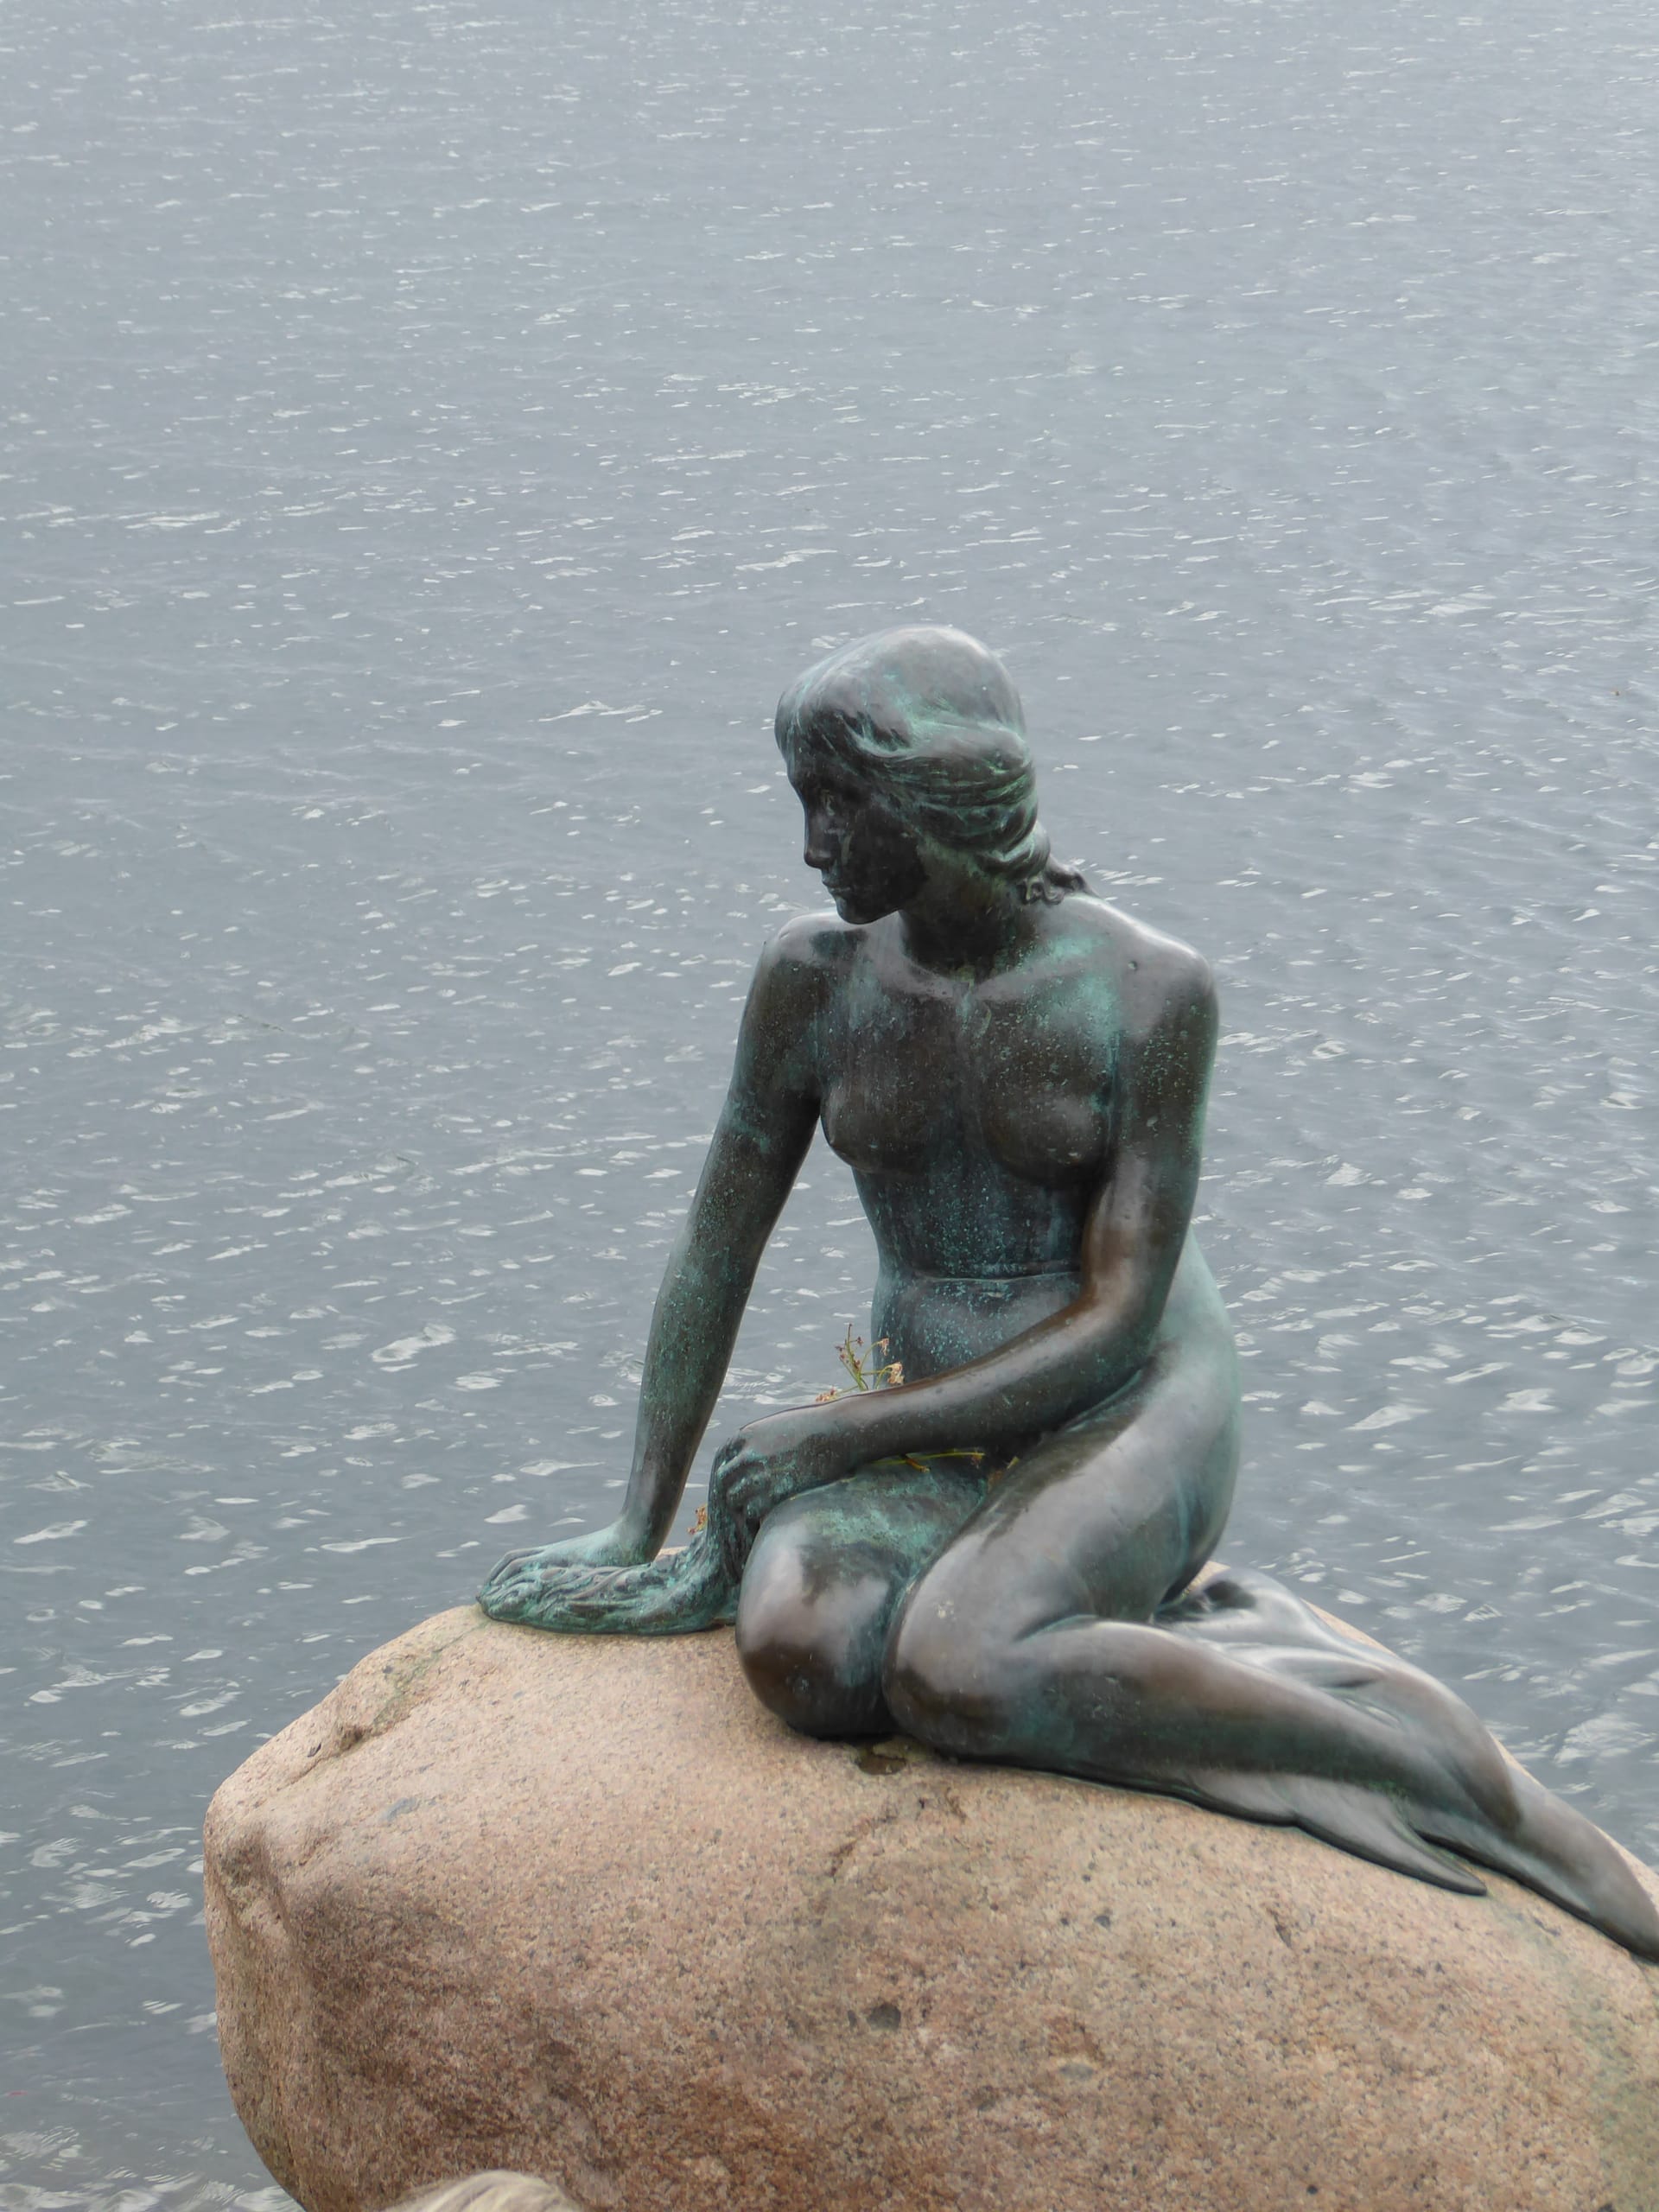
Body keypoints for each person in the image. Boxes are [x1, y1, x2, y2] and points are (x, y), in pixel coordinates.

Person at [480, 625, 1659, 1961]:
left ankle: (1461, 1787)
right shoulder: (812, 983)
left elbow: (1115, 1322)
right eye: (801, 805)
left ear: (936, 802)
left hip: (1136, 1400)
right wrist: (638, 1532)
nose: (812, 846)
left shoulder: (1146, 991)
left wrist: (838, 1435)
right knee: (809, 1655)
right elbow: (715, 1248)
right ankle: (1123, 1631)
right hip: (938, 1419)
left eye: (838, 805)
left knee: (956, 1667)